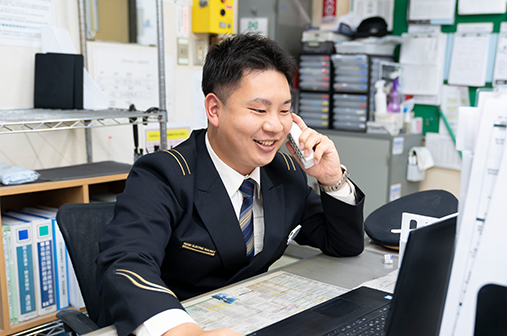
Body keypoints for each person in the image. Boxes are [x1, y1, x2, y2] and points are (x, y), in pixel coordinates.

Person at [95, 33, 366, 336]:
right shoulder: (164, 175)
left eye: (285, 110)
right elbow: (126, 263)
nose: (275, 126)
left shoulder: (284, 171)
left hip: (249, 318)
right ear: (214, 110)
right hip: (178, 323)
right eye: (259, 110)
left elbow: (343, 244)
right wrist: (184, 332)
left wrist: (331, 179)